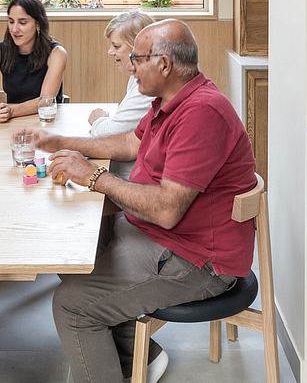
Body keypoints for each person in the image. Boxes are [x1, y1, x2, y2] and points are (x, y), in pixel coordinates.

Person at [29, 20, 257, 383]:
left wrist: (93, 176)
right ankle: (138, 357)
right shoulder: (170, 99)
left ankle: (115, 359)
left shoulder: (201, 113)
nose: (131, 67)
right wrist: (63, 143)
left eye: (137, 59)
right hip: (167, 237)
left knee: (73, 306)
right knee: (76, 249)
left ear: (164, 65)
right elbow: (130, 145)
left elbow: (167, 211)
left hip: (200, 259)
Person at [88, 10, 155, 178]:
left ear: (138, 47)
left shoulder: (148, 87)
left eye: (116, 46)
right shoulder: (136, 76)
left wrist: (98, 120)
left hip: (132, 181)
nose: (110, 52)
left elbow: (109, 133)